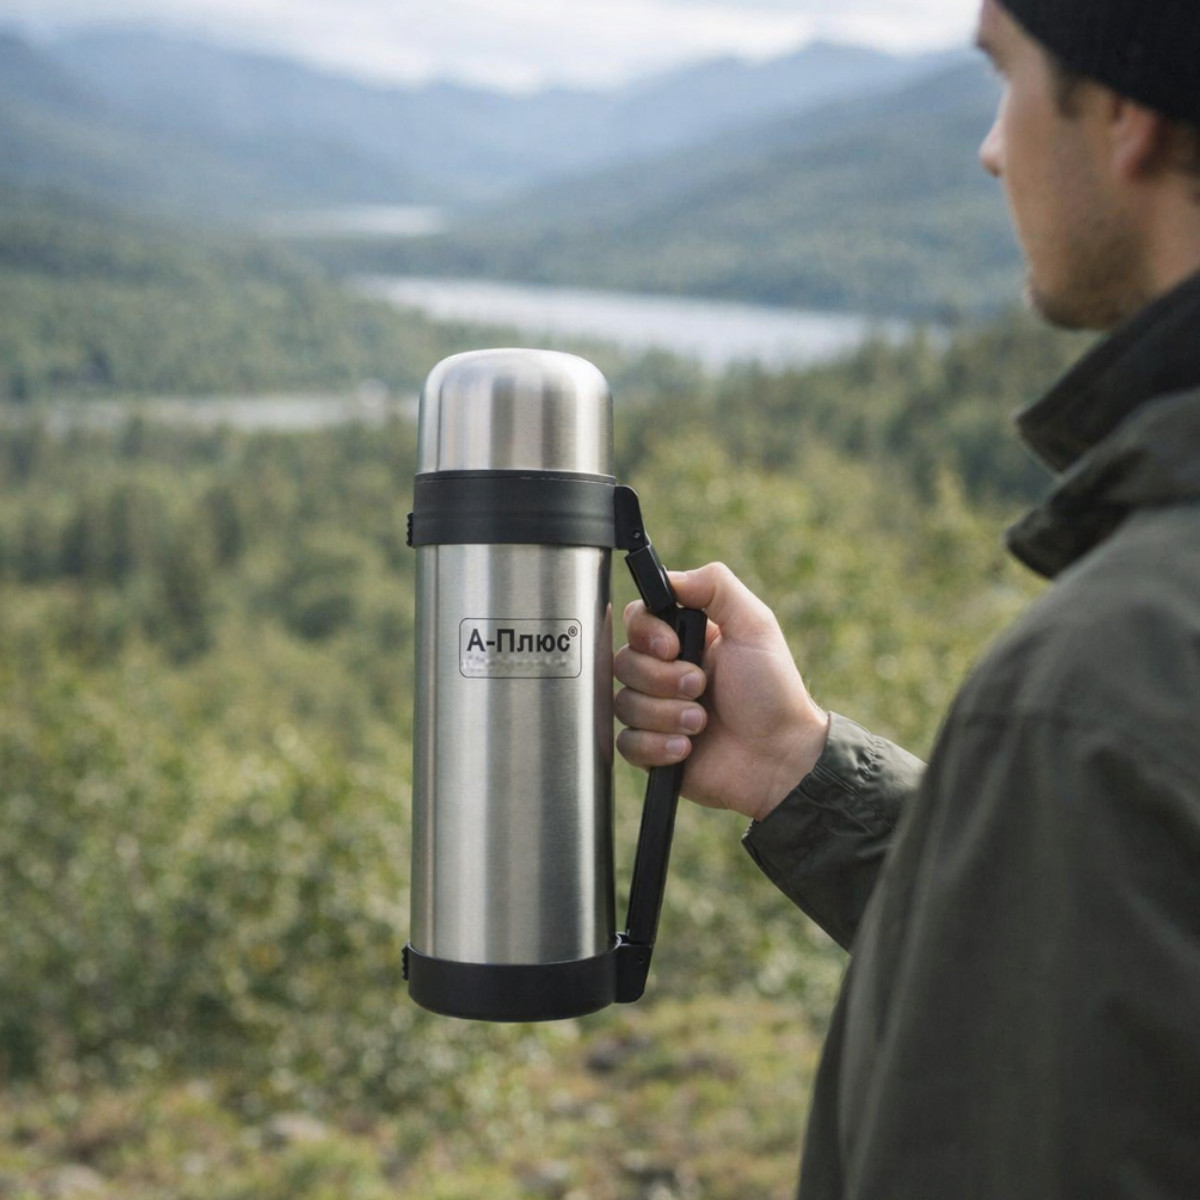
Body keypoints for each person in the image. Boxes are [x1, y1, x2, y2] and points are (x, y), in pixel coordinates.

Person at [613, 0, 1200, 1195]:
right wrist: (799, 769)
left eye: (1008, 77)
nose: (991, 149)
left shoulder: (1108, 677)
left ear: (1127, 113)